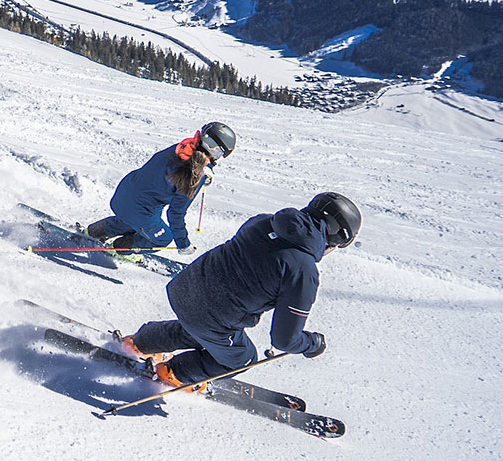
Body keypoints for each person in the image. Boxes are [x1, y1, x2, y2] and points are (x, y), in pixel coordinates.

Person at [120, 192, 363, 390]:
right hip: (210, 317)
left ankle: (141, 342)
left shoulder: (265, 220)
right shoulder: (303, 270)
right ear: (335, 238)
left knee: (206, 329)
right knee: (241, 359)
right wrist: (312, 344)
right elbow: (284, 339)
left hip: (183, 288)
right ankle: (172, 372)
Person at [85, 122, 237, 257]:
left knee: (138, 219)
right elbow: (175, 214)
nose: (215, 156)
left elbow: (175, 168)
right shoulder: (196, 174)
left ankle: (92, 232)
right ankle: (118, 249)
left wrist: (206, 170)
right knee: (163, 238)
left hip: (123, 194)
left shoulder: (183, 147)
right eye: (218, 153)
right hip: (140, 209)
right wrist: (183, 244)